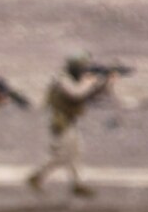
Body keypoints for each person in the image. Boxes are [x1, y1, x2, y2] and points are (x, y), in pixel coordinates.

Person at [26, 54, 117, 197]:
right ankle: (37, 177)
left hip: (70, 121)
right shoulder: (63, 79)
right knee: (62, 154)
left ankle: (77, 184)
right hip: (61, 121)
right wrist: (89, 82)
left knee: (75, 153)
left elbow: (92, 95)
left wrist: (106, 83)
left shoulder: (75, 80)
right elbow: (76, 94)